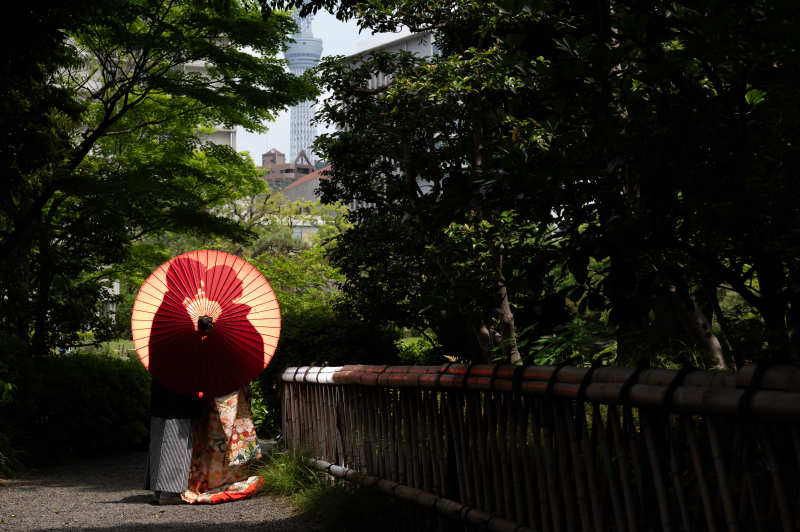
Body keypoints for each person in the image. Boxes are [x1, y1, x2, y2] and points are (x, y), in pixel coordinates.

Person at [180, 383, 263, 504]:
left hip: (210, 385)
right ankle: (226, 479)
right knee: (218, 432)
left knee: (211, 432)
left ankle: (205, 481)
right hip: (231, 384)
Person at [144, 378, 202, 505]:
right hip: (181, 390)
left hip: (162, 386)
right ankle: (170, 492)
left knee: (159, 440)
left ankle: (159, 489)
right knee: (177, 443)